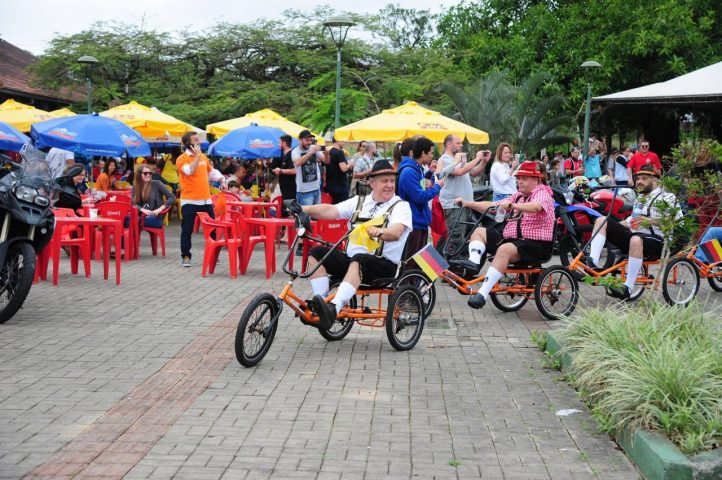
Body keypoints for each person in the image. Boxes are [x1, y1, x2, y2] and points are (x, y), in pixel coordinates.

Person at [297, 160, 413, 330]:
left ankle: (333, 308)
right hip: (354, 262)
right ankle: (320, 304)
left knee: (359, 259)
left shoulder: (401, 206)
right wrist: (302, 208)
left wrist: (380, 232)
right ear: (372, 182)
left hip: (384, 266)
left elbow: (396, 232)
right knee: (316, 252)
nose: (389, 185)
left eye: (392, 181)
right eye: (384, 181)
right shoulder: (360, 201)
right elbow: (330, 211)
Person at [453, 161, 555, 309]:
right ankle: (473, 263)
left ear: (537, 180)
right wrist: (468, 203)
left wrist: (513, 206)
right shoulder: (519, 196)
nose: (519, 181)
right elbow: (493, 206)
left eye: (524, 178)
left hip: (536, 245)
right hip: (513, 241)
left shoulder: (543, 193)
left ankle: (482, 294)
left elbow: (536, 206)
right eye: (518, 178)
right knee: (478, 231)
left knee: (505, 249)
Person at [586, 164, 682, 299]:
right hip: (635, 238)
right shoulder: (639, 199)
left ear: (655, 180)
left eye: (643, 178)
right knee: (602, 220)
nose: (639, 182)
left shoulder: (668, 197)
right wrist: (618, 225)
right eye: (637, 179)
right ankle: (593, 263)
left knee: (636, 239)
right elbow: (633, 219)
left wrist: (650, 221)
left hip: (659, 241)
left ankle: (628, 287)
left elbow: (678, 224)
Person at [176, 132, 226, 267]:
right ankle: (186, 256)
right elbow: (189, 171)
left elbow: (211, 172)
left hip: (206, 199)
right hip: (189, 200)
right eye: (195, 141)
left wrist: (221, 178)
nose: (198, 144)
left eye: (199, 141)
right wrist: (197, 156)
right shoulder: (182, 159)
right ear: (188, 144)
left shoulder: (203, 156)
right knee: (187, 229)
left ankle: (214, 255)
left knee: (213, 229)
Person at [438, 134, 490, 258]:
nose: (461, 145)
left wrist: (483, 162)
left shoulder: (459, 159)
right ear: (449, 144)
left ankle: (460, 269)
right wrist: (477, 158)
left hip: (465, 205)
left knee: (473, 234)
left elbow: (472, 172)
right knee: (455, 241)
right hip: (453, 206)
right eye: (458, 143)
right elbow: (459, 172)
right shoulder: (444, 160)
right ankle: (448, 272)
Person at [396, 136, 445, 263]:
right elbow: (419, 197)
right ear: (422, 153)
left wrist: (430, 175)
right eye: (430, 153)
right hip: (414, 223)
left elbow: (421, 187)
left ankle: (423, 282)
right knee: (412, 262)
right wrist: (437, 187)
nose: (431, 156)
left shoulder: (417, 169)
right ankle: (410, 282)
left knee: (424, 262)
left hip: (420, 221)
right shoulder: (409, 171)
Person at [292, 130, 328, 206]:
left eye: (310, 140)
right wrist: (311, 152)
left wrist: (327, 153)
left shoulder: (313, 147)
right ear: (300, 140)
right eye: (307, 140)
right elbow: (298, 162)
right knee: (305, 216)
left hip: (316, 188)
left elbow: (326, 161)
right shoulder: (296, 151)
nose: (309, 142)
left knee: (316, 216)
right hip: (304, 191)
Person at [271, 134, 297, 215]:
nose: (278, 144)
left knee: (291, 214)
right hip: (285, 191)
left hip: (290, 190)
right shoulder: (285, 155)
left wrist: (280, 170)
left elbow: (294, 170)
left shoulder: (291, 155)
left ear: (284, 143)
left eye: (279, 142)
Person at [325, 137, 352, 203]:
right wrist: (351, 163)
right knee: (341, 207)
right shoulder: (339, 152)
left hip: (330, 184)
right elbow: (344, 168)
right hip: (340, 186)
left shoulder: (329, 152)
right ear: (338, 141)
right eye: (343, 140)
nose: (344, 142)